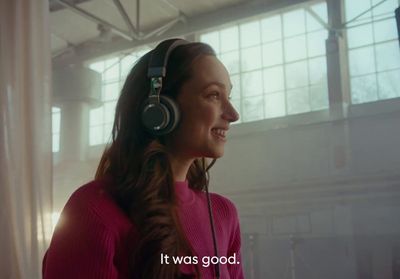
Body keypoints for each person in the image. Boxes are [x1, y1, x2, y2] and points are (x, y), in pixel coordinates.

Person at [42, 38, 244, 279]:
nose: (233, 114)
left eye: (228, 96)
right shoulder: (93, 211)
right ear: (158, 109)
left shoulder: (223, 214)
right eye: (213, 95)